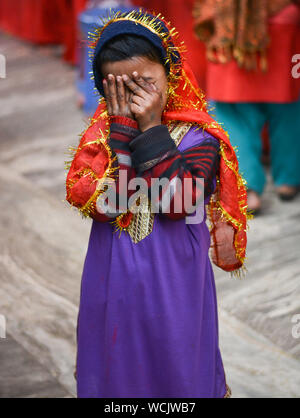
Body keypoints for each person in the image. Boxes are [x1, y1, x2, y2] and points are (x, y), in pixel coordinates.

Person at [66, 10, 249, 398]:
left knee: (176, 351)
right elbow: (106, 205)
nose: (136, 96)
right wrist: (121, 137)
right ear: (102, 88)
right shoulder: (99, 139)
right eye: (120, 86)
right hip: (112, 270)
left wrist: (150, 131)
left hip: (175, 272)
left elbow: (179, 202)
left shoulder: (199, 137)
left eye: (145, 82)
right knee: (115, 351)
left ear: (171, 73)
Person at [194, 0, 300, 213]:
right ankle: (287, 180)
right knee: (286, 108)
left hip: (228, 24)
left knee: (236, 116)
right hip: (280, 18)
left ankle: (248, 189)